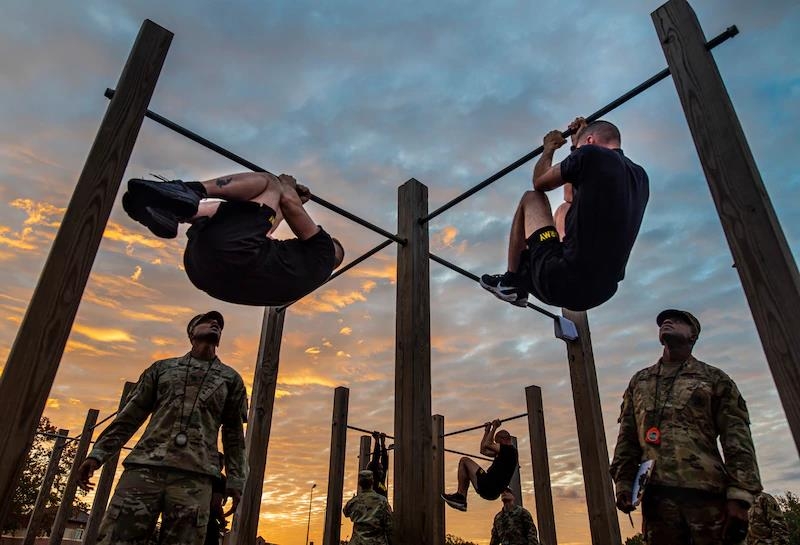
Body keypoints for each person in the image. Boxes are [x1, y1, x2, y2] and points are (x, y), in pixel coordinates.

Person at [76, 311, 248, 545]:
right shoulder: (162, 369)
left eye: (219, 323)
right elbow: (131, 415)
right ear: (191, 332)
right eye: (207, 321)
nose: (216, 324)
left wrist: (236, 480)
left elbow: (234, 434)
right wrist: (98, 454)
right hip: (145, 467)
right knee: (116, 538)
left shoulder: (230, 379)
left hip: (195, 477)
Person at [610, 309, 762, 545]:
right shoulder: (640, 381)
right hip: (657, 498)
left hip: (707, 495)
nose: (667, 322)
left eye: (679, 321)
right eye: (663, 321)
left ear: (693, 336)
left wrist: (740, 496)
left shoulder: (714, 378)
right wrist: (623, 482)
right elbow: (627, 438)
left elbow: (737, 438)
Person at [480, 118, 649, 311]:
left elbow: (540, 182)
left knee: (532, 197)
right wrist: (574, 148)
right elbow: (570, 197)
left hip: (562, 277)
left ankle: (513, 281)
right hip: (600, 291)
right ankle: (543, 261)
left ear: (591, 140)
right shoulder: (640, 176)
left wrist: (549, 148)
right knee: (564, 209)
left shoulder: (590, 153)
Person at [122, 172, 345, 306]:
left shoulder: (323, 249)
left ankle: (190, 191)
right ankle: (175, 210)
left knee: (270, 183)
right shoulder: (300, 277)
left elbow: (287, 200)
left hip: (233, 255)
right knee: (243, 214)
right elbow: (259, 227)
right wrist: (285, 206)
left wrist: (286, 186)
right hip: (204, 272)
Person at [442, 420, 519, 512]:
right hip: (489, 487)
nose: (496, 445)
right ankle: (461, 498)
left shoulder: (509, 450)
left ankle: (460, 497)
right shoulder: (504, 453)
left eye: (497, 442)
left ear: (504, 439)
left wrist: (494, 428)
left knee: (464, 460)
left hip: (489, 484)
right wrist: (487, 431)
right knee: (465, 466)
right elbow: (483, 450)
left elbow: (488, 444)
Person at [343, 470, 394, 545]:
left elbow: (346, 512)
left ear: (359, 483)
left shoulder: (354, 502)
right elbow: (389, 524)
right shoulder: (382, 501)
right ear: (372, 481)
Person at [367, 431, 389, 498]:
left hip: (382, 504)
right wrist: (377, 441)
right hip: (374, 504)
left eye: (381, 469)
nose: (381, 471)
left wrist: (383, 443)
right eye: (379, 469)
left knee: (384, 464)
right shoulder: (374, 480)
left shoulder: (381, 481)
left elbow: (384, 461)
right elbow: (376, 457)